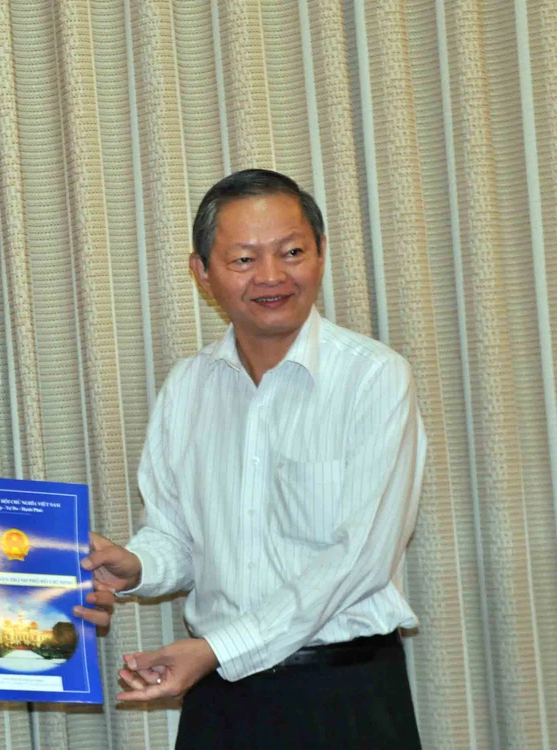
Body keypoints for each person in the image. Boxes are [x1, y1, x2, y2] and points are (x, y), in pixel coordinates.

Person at [83, 169, 425, 748]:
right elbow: (178, 537)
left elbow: (358, 560)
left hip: (345, 693)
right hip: (220, 697)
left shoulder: (374, 377)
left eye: (291, 252)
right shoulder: (188, 387)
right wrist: (137, 566)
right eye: (243, 259)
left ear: (320, 253)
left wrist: (217, 649)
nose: (271, 276)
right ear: (202, 272)